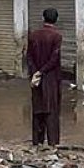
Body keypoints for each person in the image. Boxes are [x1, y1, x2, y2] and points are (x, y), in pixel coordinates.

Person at [27, 8, 63, 147]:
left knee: (37, 110)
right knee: (51, 112)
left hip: (36, 79)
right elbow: (54, 59)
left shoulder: (33, 35)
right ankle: (53, 144)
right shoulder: (56, 36)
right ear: (56, 20)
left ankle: (37, 143)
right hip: (51, 79)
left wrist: (36, 72)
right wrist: (42, 72)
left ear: (43, 18)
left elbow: (29, 57)